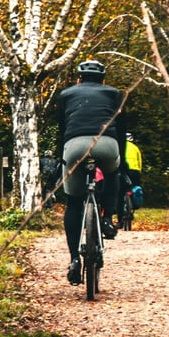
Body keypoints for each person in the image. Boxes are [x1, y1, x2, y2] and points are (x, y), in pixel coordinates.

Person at [57, 59, 126, 285]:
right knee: (113, 173)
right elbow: (122, 131)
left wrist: (62, 158)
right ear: (103, 80)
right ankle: (107, 219)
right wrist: (121, 161)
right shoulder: (114, 93)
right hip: (107, 143)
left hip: (74, 145)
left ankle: (74, 259)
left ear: (79, 79)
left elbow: (61, 129)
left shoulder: (66, 94)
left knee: (73, 202)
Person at [117, 132, 143, 226]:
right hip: (135, 171)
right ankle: (132, 206)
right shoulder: (135, 148)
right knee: (134, 188)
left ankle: (120, 220)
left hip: (123, 170)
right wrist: (139, 172)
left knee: (120, 193)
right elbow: (140, 162)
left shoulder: (120, 146)